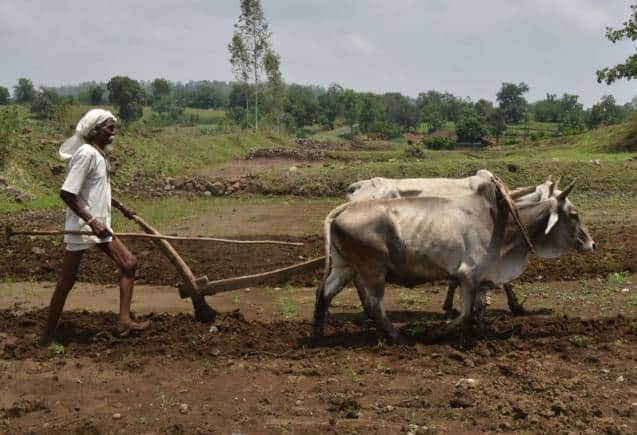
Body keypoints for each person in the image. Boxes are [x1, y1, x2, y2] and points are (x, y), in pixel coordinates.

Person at [41, 109, 148, 345]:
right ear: (96, 130)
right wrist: (92, 221)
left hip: (97, 227)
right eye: (109, 127)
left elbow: (96, 190)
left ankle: (122, 321)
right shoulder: (86, 154)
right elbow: (68, 193)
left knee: (126, 264)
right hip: (85, 226)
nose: (113, 131)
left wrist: (120, 206)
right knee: (69, 281)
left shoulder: (99, 155)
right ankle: (48, 335)